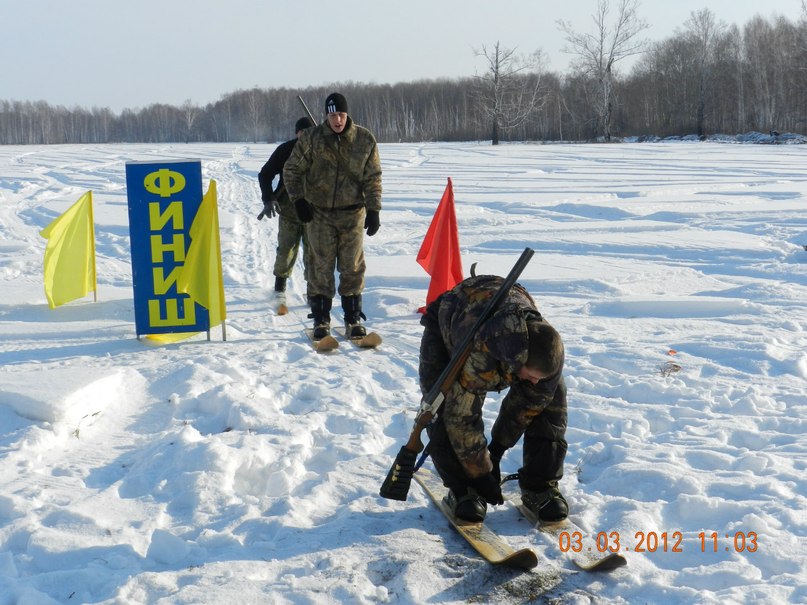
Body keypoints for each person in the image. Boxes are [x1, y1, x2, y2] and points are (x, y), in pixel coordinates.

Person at [418, 274, 568, 523]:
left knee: (551, 399)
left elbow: (529, 404)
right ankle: (463, 489)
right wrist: (481, 473)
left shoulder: (549, 351)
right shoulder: (485, 352)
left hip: (503, 318)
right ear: (517, 362)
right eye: (531, 375)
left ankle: (539, 487)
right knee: (442, 403)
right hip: (454, 318)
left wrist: (497, 449)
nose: (534, 381)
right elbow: (462, 415)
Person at [283, 92, 382, 339]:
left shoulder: (365, 140)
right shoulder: (312, 139)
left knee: (352, 267)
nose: (337, 119)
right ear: (326, 116)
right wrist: (299, 200)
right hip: (319, 215)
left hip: (352, 215)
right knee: (320, 267)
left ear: (347, 114)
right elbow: (292, 170)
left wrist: (374, 209)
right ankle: (320, 320)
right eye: (332, 115)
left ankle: (353, 319)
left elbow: (373, 178)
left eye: (340, 114)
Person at [258, 116, 315, 298]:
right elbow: (265, 174)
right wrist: (268, 199)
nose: (305, 135)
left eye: (309, 132)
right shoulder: (285, 150)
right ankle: (279, 290)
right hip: (288, 210)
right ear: (296, 133)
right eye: (302, 132)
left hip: (314, 211)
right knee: (285, 250)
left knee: (313, 253)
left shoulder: (321, 150)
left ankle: (313, 292)